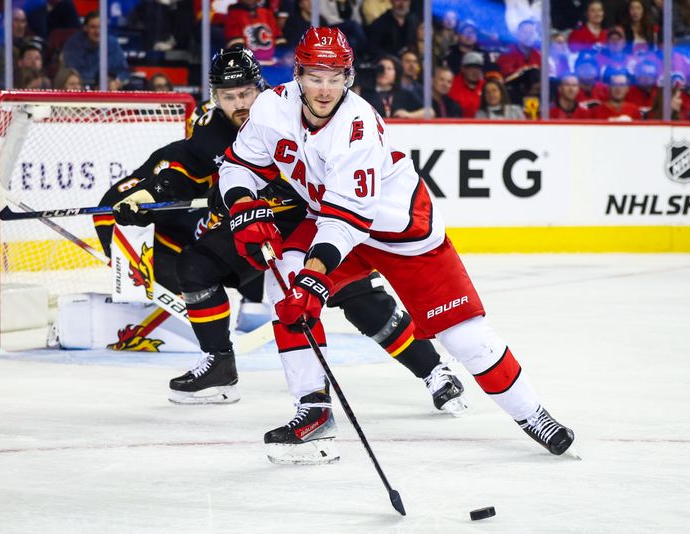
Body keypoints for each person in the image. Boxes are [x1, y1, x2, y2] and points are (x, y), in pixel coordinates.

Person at [217, 27, 575, 464]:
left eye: (335, 76)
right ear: (297, 74)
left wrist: (315, 278)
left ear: (348, 77)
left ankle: (532, 414)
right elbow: (237, 166)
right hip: (331, 220)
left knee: (467, 338)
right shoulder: (273, 107)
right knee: (285, 288)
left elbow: (347, 221)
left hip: (400, 231)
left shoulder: (358, 126)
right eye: (315, 76)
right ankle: (313, 410)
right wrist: (242, 207)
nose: (325, 88)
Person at [106, 46, 469, 414]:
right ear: (216, 98)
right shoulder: (210, 128)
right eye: (229, 97)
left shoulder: (285, 110)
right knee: (196, 267)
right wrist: (149, 194)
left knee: (360, 301)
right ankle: (220, 364)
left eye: (246, 92)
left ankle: (434, 371)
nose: (240, 103)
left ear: (260, 87)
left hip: (313, 223)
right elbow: (185, 168)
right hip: (257, 230)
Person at [60, 11, 130, 88]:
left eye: (100, 27)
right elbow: (72, 74)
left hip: (107, 90)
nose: (97, 31)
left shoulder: (112, 43)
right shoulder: (73, 45)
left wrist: (117, 81)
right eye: (93, 27)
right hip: (81, 90)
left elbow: (123, 71)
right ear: (85, 28)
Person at [448, 50, 485, 118]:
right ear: (463, 69)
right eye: (471, 68)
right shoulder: (452, 84)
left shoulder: (485, 86)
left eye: (478, 68)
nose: (475, 71)